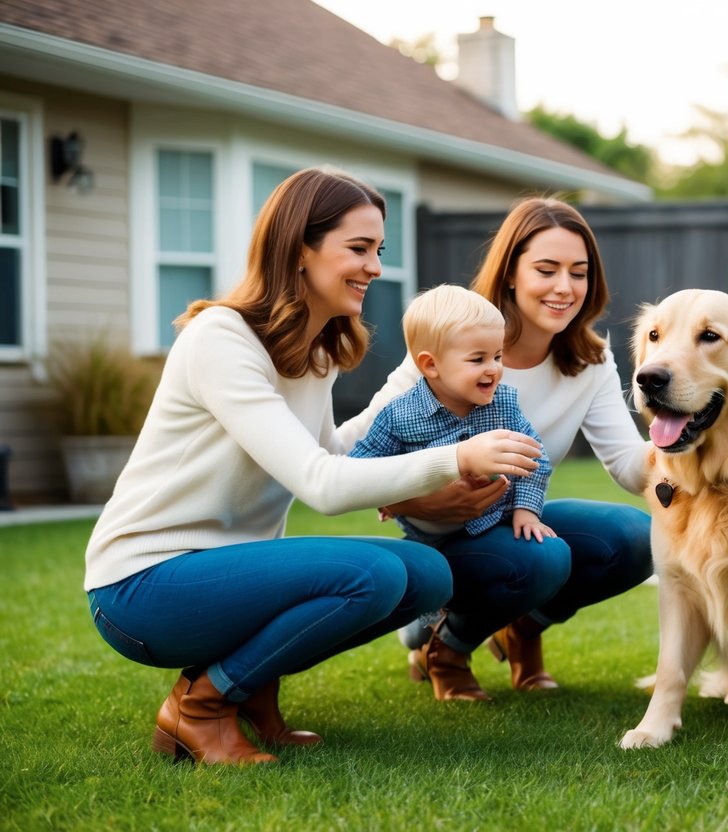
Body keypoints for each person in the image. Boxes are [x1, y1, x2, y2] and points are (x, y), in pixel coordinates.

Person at [83, 168, 543, 765]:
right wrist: (455, 457)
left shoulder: (315, 348)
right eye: (358, 249)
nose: (375, 267)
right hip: (142, 586)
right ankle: (200, 705)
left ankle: (248, 690)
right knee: (372, 574)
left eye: (379, 250)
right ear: (298, 248)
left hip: (225, 572)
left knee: (427, 573)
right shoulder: (220, 338)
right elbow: (320, 484)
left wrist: (423, 376)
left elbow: (333, 452)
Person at [339, 197, 652, 701]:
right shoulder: (453, 340)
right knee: (541, 561)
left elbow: (627, 461)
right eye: (546, 270)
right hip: (436, 533)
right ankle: (444, 644)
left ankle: (520, 629)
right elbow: (354, 450)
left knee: (636, 538)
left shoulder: (590, 358)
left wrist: (692, 453)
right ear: (510, 273)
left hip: (512, 517)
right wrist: (411, 500)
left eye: (579, 272)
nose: (564, 288)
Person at [348, 285, 565, 700]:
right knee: (423, 616)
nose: (494, 369)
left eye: (498, 357)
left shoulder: (503, 403)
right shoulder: (400, 416)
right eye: (477, 359)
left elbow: (534, 458)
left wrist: (526, 512)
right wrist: (394, 498)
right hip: (433, 539)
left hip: (495, 526)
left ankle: (455, 645)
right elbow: (359, 468)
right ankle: (422, 635)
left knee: (541, 558)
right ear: (430, 365)